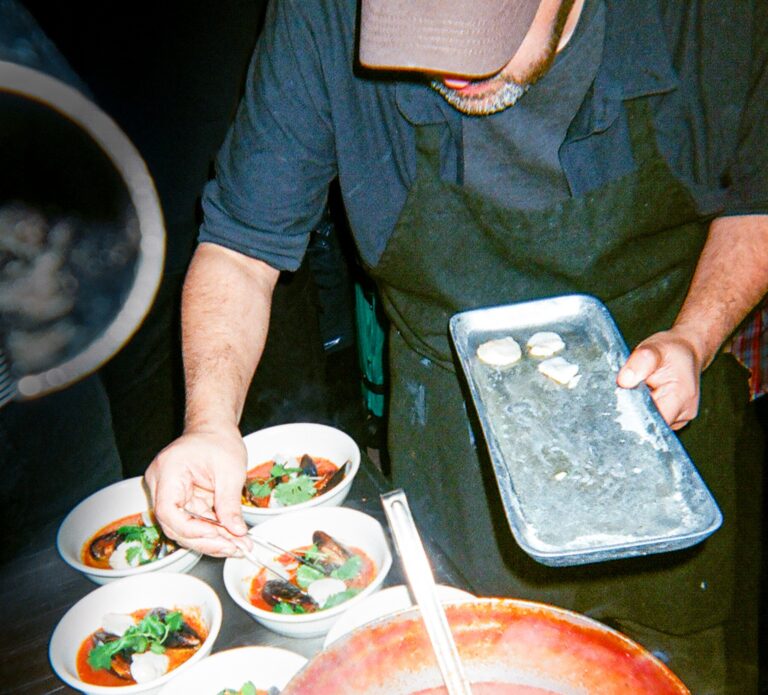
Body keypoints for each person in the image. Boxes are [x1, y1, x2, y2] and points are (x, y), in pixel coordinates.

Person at [145, 0, 768, 691]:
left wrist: (696, 333)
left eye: (481, 36)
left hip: (664, 409)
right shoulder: (323, 13)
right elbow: (239, 247)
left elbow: (759, 195)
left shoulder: (716, 17)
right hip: (447, 439)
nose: (448, 69)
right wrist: (209, 421)